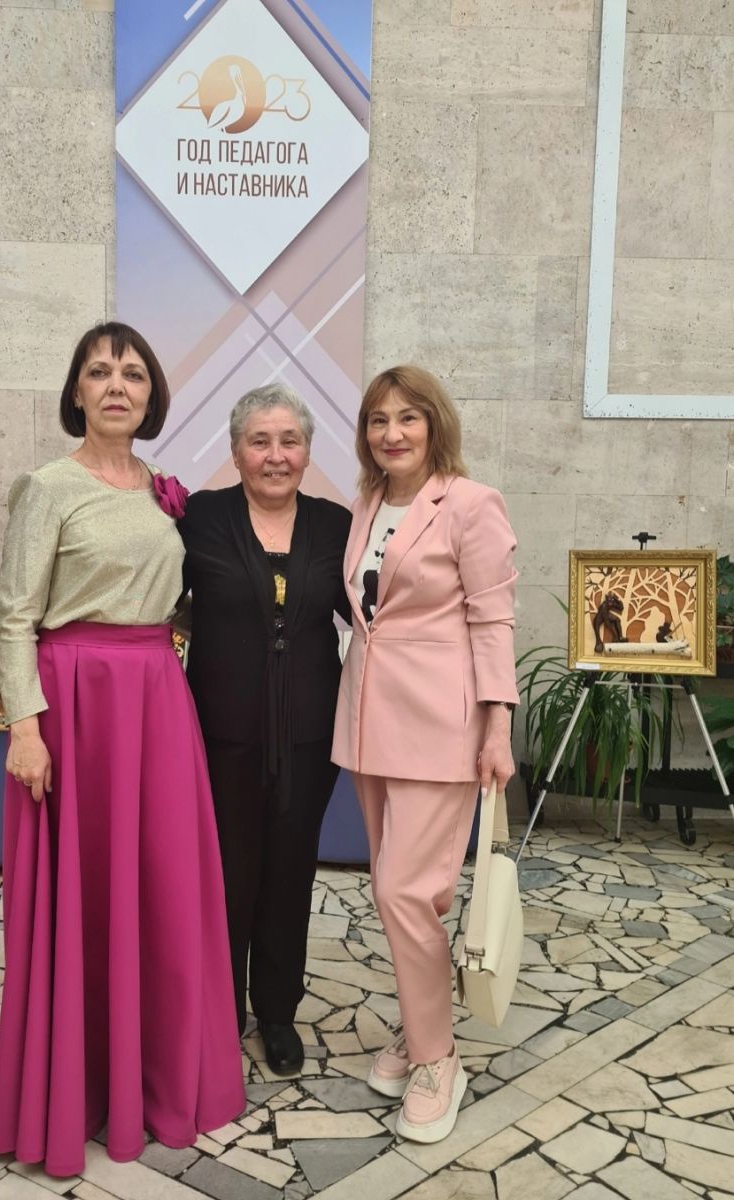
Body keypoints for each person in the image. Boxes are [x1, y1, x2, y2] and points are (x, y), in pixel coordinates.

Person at [0, 322, 244, 1176]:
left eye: (132, 374)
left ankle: (157, 1075)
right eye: (99, 373)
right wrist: (25, 726)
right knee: (81, 895)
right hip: (75, 706)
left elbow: (181, 601)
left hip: (156, 702)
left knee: (161, 888)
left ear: (151, 394)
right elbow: (15, 618)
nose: (116, 386)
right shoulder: (47, 488)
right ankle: (77, 1090)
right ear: (77, 393)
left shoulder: (166, 494)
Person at [332, 365, 518, 1144]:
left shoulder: (470, 504)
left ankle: (439, 1060)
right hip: (370, 726)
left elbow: (493, 620)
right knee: (396, 895)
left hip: (443, 727)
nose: (392, 433)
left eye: (408, 417)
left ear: (435, 424)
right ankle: (419, 1026)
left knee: (406, 891)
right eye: (378, 420)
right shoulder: (367, 503)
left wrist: (498, 726)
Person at [179, 384, 351, 1075]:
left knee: (289, 873)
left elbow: (379, 617)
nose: (275, 455)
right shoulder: (200, 517)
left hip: (311, 736)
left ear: (307, 451)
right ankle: (219, 1012)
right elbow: (152, 598)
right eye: (259, 441)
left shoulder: (337, 526)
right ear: (235, 450)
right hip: (220, 733)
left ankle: (277, 1013)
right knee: (225, 876)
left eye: (290, 441)